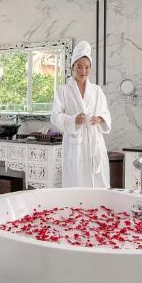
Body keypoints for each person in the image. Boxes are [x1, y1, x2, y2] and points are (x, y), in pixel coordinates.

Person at [50, 40, 112, 187]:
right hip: (75, 143)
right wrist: (73, 120)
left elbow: (106, 114)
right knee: (76, 181)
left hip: (95, 142)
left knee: (99, 182)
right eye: (79, 67)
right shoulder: (63, 90)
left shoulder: (97, 90)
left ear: (90, 68)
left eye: (87, 67)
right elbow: (55, 116)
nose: (83, 71)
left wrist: (100, 119)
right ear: (72, 67)